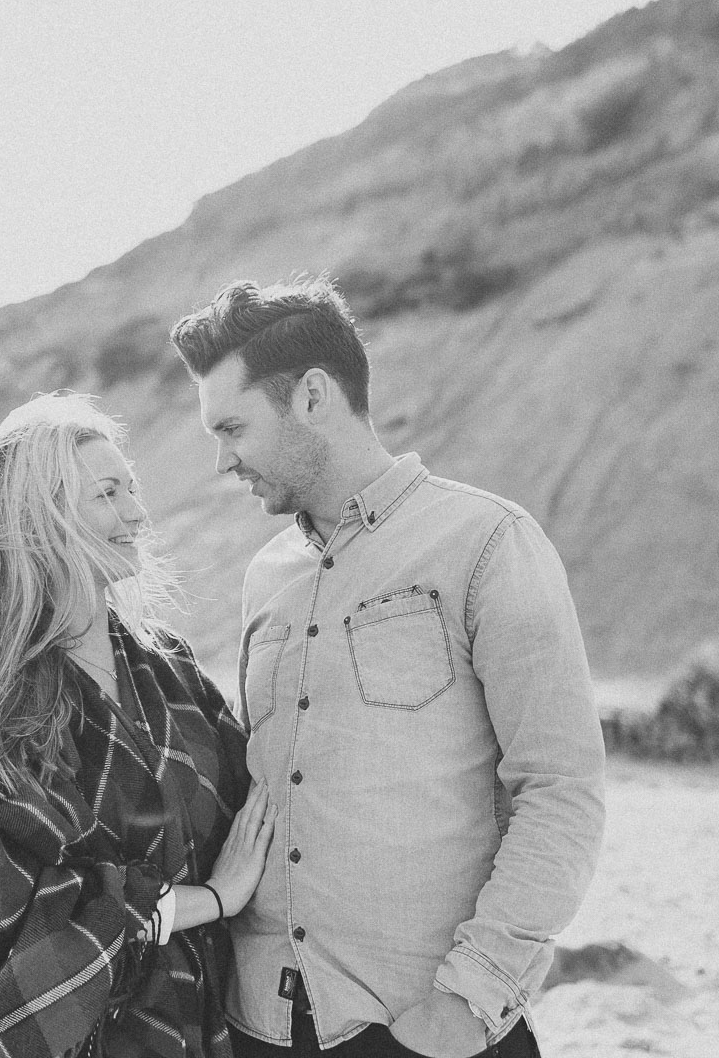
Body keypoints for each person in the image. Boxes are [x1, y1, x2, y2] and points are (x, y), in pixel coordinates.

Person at [169, 277, 607, 1058]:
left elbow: (561, 790)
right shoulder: (265, 577)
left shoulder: (485, 542)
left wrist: (469, 1002)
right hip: (264, 1023)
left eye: (232, 427)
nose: (222, 459)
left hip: (424, 1023)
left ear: (311, 397)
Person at [0, 392, 279, 1058]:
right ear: (43, 518)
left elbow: (262, 813)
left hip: (221, 1023)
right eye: (108, 493)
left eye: (132, 489)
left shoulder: (170, 669)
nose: (137, 514)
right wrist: (213, 897)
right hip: (83, 1039)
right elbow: (57, 918)